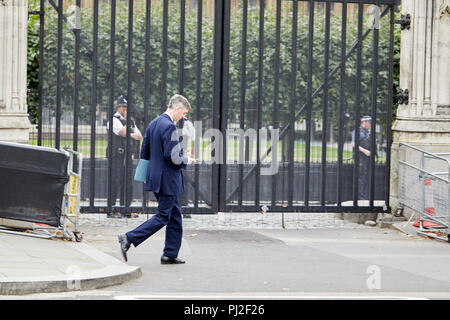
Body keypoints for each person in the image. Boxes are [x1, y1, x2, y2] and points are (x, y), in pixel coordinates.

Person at [118, 94, 195, 264]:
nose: (183, 117)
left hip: (157, 177)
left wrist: (147, 174)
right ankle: (129, 238)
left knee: (175, 215)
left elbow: (145, 151)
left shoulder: (154, 123)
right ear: (177, 108)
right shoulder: (169, 126)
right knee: (163, 216)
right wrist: (186, 160)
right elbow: (172, 157)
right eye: (183, 114)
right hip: (168, 179)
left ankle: (170, 254)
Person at [107, 95, 142, 211]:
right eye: (123, 107)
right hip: (116, 155)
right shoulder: (113, 120)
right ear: (118, 107)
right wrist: (130, 131)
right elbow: (122, 132)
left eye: (126, 107)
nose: (125, 109)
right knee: (115, 181)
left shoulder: (130, 121)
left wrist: (130, 131)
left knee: (127, 183)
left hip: (127, 155)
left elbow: (139, 135)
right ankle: (111, 208)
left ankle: (126, 207)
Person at [176, 115, 196, 215]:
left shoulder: (187, 123)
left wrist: (191, 153)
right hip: (170, 152)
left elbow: (194, 139)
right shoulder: (170, 121)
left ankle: (184, 205)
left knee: (183, 179)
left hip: (182, 153)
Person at [352, 115, 373, 200]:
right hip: (360, 158)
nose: (370, 124)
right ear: (364, 122)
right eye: (369, 122)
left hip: (367, 158)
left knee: (365, 177)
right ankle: (360, 197)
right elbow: (354, 144)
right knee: (361, 177)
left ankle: (364, 196)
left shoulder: (367, 131)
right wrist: (365, 151)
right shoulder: (358, 131)